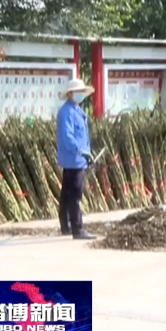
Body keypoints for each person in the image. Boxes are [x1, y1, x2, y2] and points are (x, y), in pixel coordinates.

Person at [56, 78, 97, 240]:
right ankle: (77, 229)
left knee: (67, 193)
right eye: (79, 92)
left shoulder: (76, 110)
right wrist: (82, 152)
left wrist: (87, 153)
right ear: (71, 94)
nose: (82, 95)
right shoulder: (66, 112)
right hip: (73, 159)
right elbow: (68, 137)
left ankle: (66, 225)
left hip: (77, 158)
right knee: (75, 194)